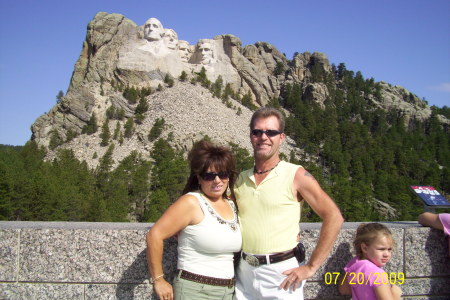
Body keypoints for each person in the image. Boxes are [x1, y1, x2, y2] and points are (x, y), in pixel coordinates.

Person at [234, 107, 344, 299]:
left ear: (282, 137)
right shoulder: (241, 179)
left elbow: (334, 216)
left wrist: (311, 267)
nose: (263, 137)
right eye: (257, 131)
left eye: (271, 132)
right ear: (251, 136)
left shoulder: (296, 175)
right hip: (244, 274)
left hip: (281, 275)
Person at [146, 140, 242, 300]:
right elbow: (154, 235)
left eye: (223, 174)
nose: (217, 180)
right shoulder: (191, 202)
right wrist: (159, 279)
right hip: (196, 290)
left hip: (228, 291)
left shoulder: (231, 204)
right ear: (199, 178)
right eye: (209, 175)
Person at [339, 223, 402, 300]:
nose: (386, 254)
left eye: (389, 249)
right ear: (364, 248)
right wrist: (395, 294)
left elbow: (344, 290)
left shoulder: (354, 265)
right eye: (381, 249)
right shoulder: (378, 274)